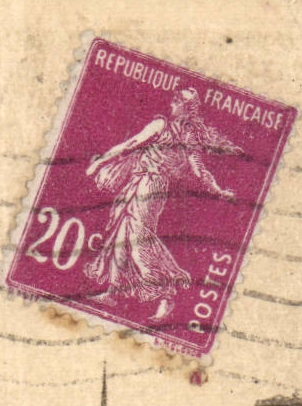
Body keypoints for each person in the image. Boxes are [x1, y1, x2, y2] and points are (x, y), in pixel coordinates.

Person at [83, 87, 241, 322]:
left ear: (188, 109)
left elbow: (198, 169)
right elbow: (131, 143)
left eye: (178, 101)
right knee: (121, 234)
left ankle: (167, 295)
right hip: (139, 183)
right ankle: (113, 292)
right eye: (175, 98)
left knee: (138, 239)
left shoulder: (184, 135)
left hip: (152, 187)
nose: (173, 103)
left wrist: (218, 190)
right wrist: (101, 162)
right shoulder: (163, 126)